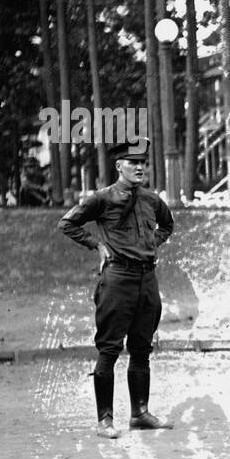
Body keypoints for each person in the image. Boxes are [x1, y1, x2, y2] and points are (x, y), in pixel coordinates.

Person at [58, 138, 175, 438]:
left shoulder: (152, 201)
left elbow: (167, 226)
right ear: (119, 165)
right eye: (133, 162)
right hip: (117, 280)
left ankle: (140, 414)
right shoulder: (102, 198)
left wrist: (152, 244)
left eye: (143, 162)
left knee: (141, 350)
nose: (139, 167)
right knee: (109, 351)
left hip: (147, 281)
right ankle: (105, 420)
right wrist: (96, 244)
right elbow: (67, 223)